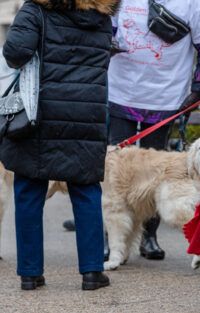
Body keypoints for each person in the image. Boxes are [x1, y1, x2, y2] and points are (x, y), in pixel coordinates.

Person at [1, 0, 119, 290]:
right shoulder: (101, 14)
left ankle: (30, 274)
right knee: (86, 189)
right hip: (85, 113)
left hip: (38, 111)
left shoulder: (35, 9)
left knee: (28, 188)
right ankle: (92, 273)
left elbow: (15, 53)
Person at [107, 0, 200, 260]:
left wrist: (198, 89)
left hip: (165, 99)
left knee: (156, 176)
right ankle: (114, 240)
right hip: (120, 94)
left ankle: (148, 236)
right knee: (114, 175)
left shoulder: (193, 3)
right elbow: (104, 30)